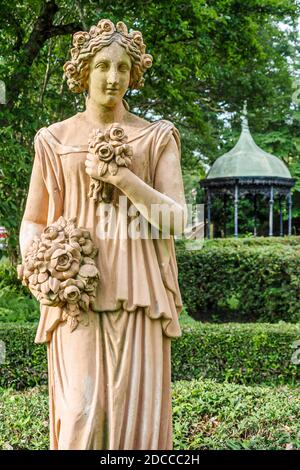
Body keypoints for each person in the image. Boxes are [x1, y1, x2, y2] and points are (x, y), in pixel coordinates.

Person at [19, 19, 187, 450]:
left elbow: (176, 220)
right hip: (76, 290)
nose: (113, 77)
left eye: (122, 68)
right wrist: (41, 272)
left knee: (134, 419)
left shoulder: (155, 137)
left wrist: (123, 177)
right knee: (79, 410)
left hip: (139, 291)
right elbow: (33, 220)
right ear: (83, 71)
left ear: (135, 73)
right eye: (102, 66)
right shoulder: (54, 140)